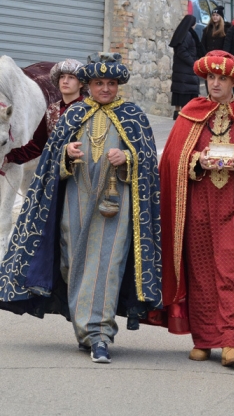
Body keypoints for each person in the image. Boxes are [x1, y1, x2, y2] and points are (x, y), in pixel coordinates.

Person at [0, 53, 162, 364]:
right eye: (98, 83)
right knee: (73, 265)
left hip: (116, 208)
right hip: (74, 203)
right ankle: (84, 328)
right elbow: (47, 163)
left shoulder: (133, 116)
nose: (104, 89)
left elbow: (149, 166)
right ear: (89, 85)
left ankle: (99, 334)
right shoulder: (72, 116)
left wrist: (127, 159)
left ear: (117, 86)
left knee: (107, 265)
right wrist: (64, 154)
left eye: (110, 84)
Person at [159, 50, 234, 367]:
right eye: (211, 78)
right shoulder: (191, 112)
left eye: (221, 78)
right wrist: (194, 160)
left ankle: (232, 340)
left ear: (233, 82)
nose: (215, 83)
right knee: (200, 274)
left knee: (232, 270)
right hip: (198, 207)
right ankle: (204, 339)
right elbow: (172, 159)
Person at [4, 59, 85, 166]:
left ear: (81, 83)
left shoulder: (88, 109)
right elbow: (38, 145)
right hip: (55, 173)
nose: (65, 81)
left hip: (82, 171)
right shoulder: (53, 110)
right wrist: (9, 157)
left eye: (71, 77)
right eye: (62, 77)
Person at [170, 14, 205, 120]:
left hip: (181, 70)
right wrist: (193, 62)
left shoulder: (182, 34)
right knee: (185, 92)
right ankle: (184, 116)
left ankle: (178, 113)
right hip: (186, 70)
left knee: (180, 90)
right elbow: (182, 51)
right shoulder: (188, 35)